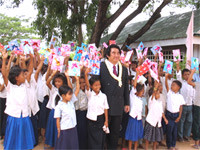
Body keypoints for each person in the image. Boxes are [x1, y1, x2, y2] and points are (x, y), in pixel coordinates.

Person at [2, 51, 35, 149]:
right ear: (16, 78)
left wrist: (32, 58)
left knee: (24, 141)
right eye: (22, 75)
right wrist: (4, 59)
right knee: (13, 141)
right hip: (14, 117)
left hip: (24, 116)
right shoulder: (10, 87)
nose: (24, 76)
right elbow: (4, 74)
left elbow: (30, 71)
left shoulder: (25, 85)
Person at [100, 44, 129, 149]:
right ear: (107, 55)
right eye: (113, 53)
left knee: (115, 133)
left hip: (118, 105)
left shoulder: (124, 69)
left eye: (118, 53)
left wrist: (127, 103)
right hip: (104, 106)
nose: (116, 55)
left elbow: (126, 87)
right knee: (103, 132)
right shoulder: (101, 66)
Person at [45, 70, 72, 148]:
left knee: (60, 132)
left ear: (63, 82)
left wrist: (67, 76)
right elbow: (47, 83)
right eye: (56, 81)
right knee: (53, 131)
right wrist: (53, 73)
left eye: (59, 81)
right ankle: (53, 145)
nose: (57, 83)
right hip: (53, 113)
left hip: (62, 114)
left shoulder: (66, 91)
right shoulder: (54, 89)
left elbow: (70, 88)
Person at [85, 68, 109, 149]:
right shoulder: (90, 95)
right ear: (92, 86)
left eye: (99, 85)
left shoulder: (103, 96)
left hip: (100, 119)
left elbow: (106, 108)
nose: (98, 86)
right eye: (95, 85)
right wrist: (86, 75)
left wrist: (106, 120)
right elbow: (87, 86)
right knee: (91, 139)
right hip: (91, 120)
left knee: (100, 139)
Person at [54, 77, 80, 149]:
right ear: (63, 96)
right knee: (64, 146)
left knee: (72, 145)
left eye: (71, 94)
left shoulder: (71, 102)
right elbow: (58, 119)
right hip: (64, 129)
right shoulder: (59, 106)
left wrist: (77, 80)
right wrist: (59, 130)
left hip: (73, 127)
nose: (71, 96)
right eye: (69, 94)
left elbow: (77, 89)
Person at [144, 82, 167, 150]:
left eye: (159, 93)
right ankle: (146, 148)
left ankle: (154, 147)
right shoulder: (152, 100)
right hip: (151, 121)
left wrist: (165, 119)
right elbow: (153, 93)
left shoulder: (159, 102)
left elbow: (162, 112)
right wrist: (155, 87)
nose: (158, 95)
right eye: (157, 93)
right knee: (148, 136)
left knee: (156, 136)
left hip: (157, 122)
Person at [165, 73, 185, 150]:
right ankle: (169, 146)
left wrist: (179, 116)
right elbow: (166, 86)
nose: (171, 86)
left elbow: (181, 107)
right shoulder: (170, 93)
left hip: (176, 115)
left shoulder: (180, 96)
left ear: (178, 87)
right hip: (169, 114)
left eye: (173, 85)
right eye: (172, 85)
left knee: (174, 131)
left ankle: (173, 145)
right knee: (169, 131)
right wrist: (166, 77)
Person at [176, 61, 195, 142]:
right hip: (183, 105)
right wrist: (177, 65)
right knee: (182, 121)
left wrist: (192, 67)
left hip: (190, 105)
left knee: (189, 121)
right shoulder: (181, 83)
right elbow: (178, 74)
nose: (187, 76)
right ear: (183, 76)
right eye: (185, 74)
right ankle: (180, 136)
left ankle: (186, 135)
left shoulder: (192, 83)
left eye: (188, 74)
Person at [125, 70, 144, 150]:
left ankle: (135, 148)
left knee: (137, 136)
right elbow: (135, 85)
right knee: (131, 135)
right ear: (138, 91)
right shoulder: (133, 95)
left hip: (138, 119)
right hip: (133, 118)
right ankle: (130, 148)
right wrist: (137, 75)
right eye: (142, 91)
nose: (143, 93)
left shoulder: (140, 100)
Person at [75, 75, 88, 149]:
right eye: (80, 83)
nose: (82, 84)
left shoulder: (88, 91)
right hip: (79, 113)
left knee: (85, 132)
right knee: (80, 131)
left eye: (84, 82)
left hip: (86, 113)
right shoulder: (76, 91)